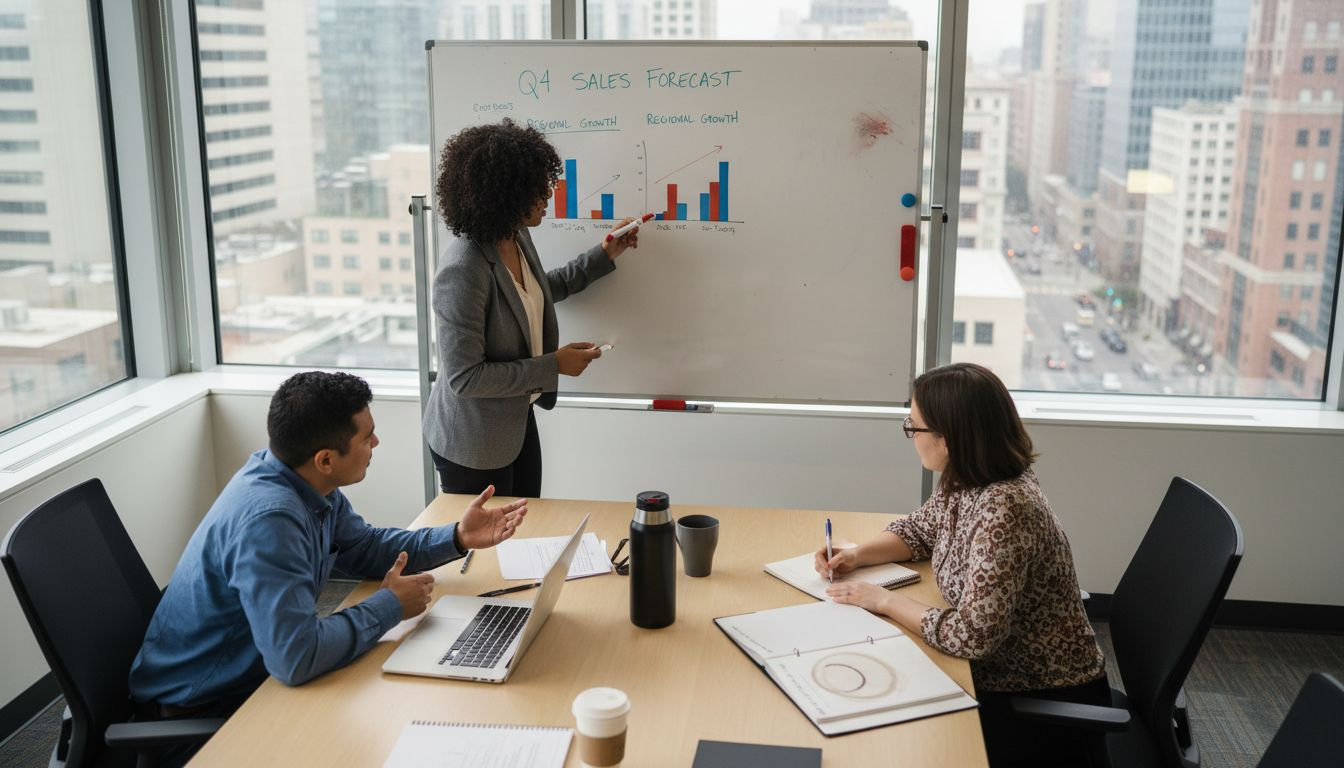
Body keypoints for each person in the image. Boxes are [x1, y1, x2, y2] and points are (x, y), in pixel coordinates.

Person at [130, 372, 526, 754]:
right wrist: (389, 605)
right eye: (366, 437)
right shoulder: (271, 521)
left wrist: (457, 536)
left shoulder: (302, 480)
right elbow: (296, 658)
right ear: (325, 460)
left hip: (253, 680)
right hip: (205, 717)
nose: (376, 441)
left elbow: (366, 547)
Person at [815, 363, 1107, 767]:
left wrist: (882, 601)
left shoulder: (1006, 507)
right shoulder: (970, 476)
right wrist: (856, 555)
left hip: (1037, 696)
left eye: (914, 427)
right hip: (992, 671)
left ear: (948, 439)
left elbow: (973, 637)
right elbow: (921, 530)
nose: (911, 437)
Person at [424, 118, 641, 497]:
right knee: (489, 552)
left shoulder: (515, 235)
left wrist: (605, 253)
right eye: (536, 191)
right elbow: (465, 378)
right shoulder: (463, 270)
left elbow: (539, 291)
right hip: (473, 442)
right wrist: (552, 365)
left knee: (525, 533)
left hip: (516, 420)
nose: (546, 198)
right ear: (505, 196)